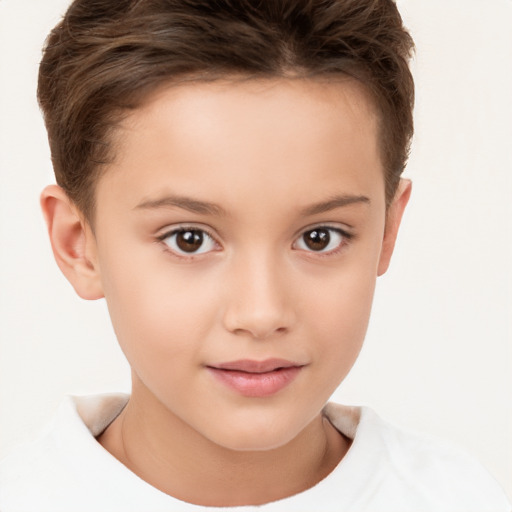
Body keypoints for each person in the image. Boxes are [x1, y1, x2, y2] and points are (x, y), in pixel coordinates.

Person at [0, 0, 510, 510]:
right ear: (77, 243)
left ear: (387, 231)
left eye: (320, 237)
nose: (261, 314)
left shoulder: (455, 498)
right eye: (189, 239)